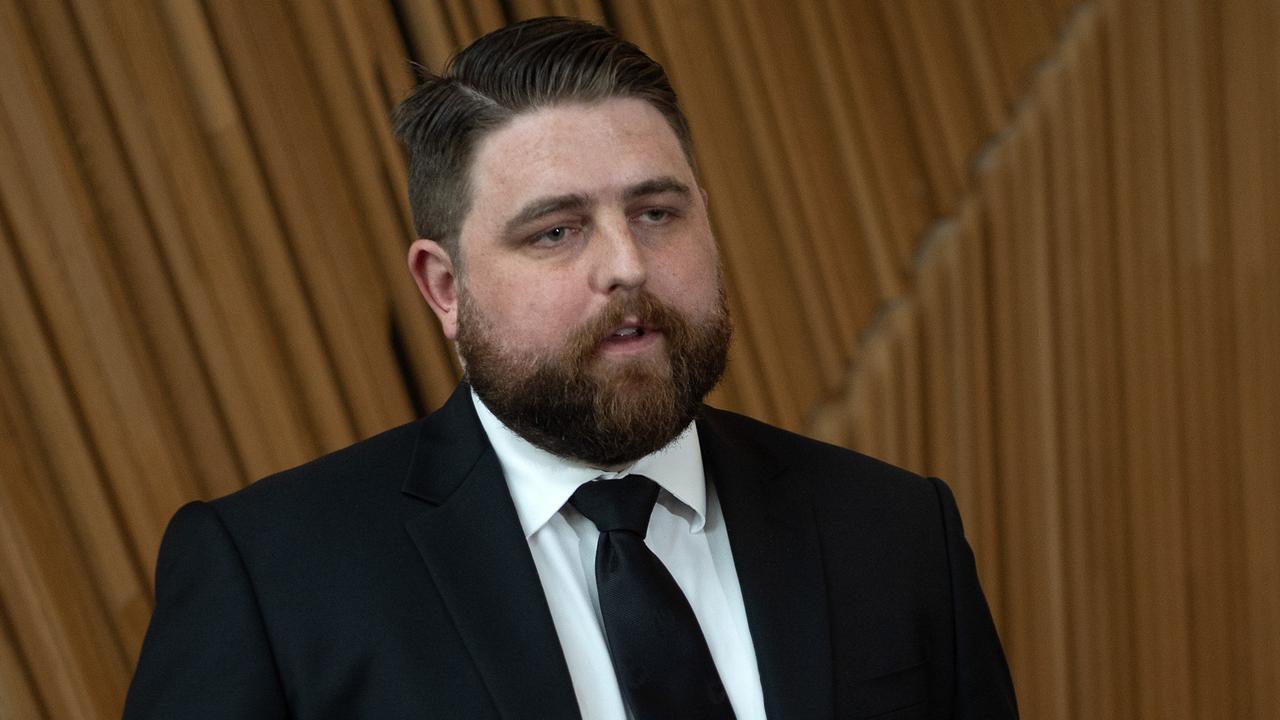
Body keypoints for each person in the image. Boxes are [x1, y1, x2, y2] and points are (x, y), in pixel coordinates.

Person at [124, 16, 1017, 720]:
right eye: (556, 231)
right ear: (444, 288)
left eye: (658, 213)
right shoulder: (274, 578)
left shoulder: (895, 532)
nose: (625, 264)